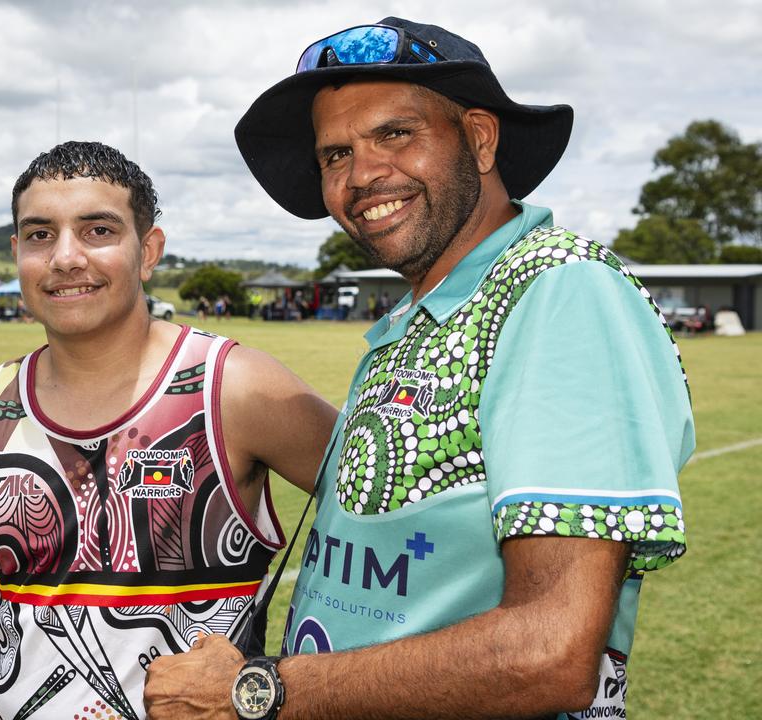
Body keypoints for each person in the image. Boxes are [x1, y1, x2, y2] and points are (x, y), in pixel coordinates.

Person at [144, 17, 693, 720]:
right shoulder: (416, 318)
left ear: (480, 137)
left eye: (395, 134)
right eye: (335, 154)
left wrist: (258, 690)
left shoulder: (558, 291)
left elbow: (549, 653)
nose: (363, 174)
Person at [0, 141, 338, 720]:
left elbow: (410, 528)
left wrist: (292, 685)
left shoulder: (233, 389)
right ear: (16, 253)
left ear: (148, 251)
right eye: (40, 234)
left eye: (98, 230)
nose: (66, 257)